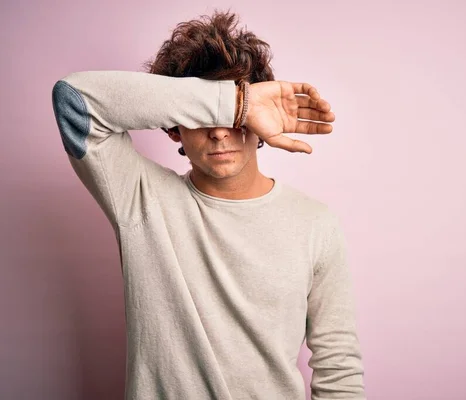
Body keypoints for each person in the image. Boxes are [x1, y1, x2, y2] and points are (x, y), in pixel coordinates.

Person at [51, 10, 365, 400]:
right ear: (173, 122)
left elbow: (339, 368)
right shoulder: (139, 198)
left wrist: (237, 104)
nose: (219, 131)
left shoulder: (316, 223)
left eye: (234, 117)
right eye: (202, 113)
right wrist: (235, 103)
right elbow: (74, 98)